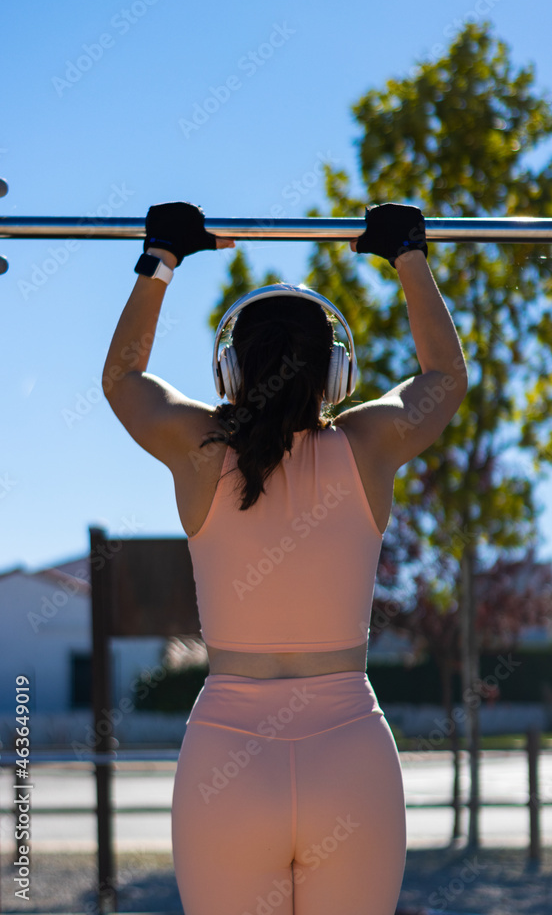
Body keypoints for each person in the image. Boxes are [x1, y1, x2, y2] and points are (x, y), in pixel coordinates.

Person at [102, 200, 468, 915]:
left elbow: (123, 381)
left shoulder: (202, 449)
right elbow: (444, 377)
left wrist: (161, 260)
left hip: (227, 764)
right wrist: (407, 255)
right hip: (351, 755)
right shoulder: (368, 444)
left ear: (230, 370)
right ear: (335, 371)